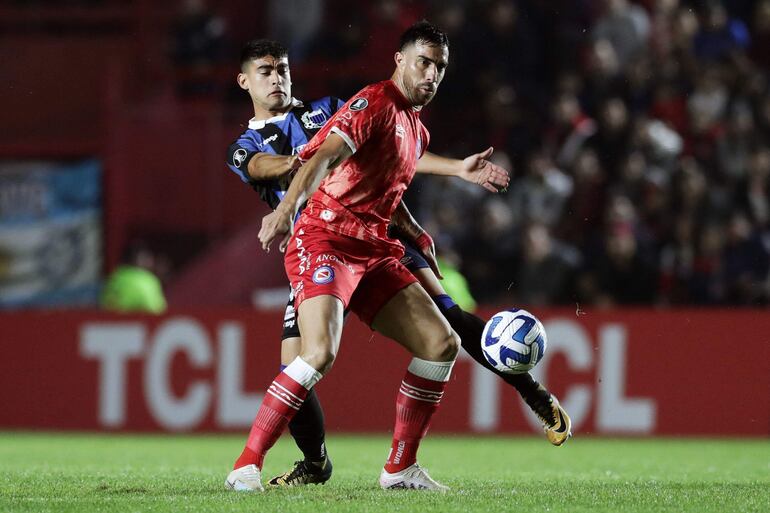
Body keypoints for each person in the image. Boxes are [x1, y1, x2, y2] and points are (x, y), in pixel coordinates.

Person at [225, 28, 570, 492]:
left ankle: (415, 459)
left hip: (379, 234)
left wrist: (440, 189)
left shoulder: (333, 110)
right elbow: (281, 163)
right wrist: (292, 188)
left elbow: (393, 153)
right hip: (322, 235)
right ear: (245, 81)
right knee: (305, 360)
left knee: (445, 330)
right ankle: (288, 463)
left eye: (282, 70)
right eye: (265, 72)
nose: (277, 81)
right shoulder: (255, 143)